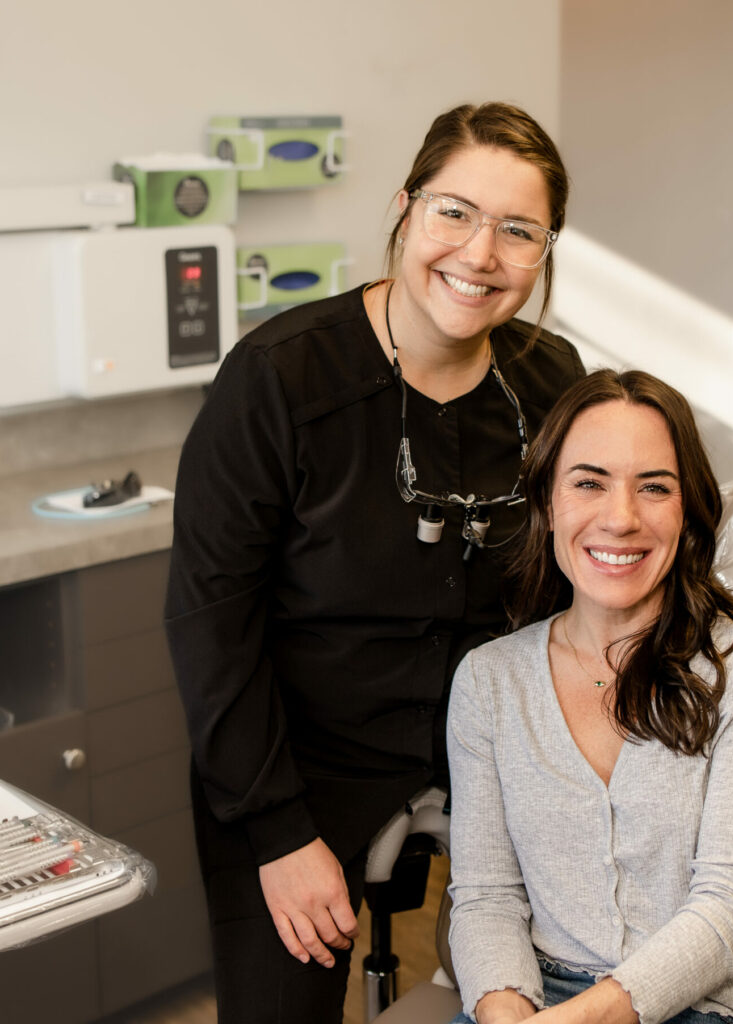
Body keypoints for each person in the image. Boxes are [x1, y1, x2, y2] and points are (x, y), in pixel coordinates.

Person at [164, 101, 586, 1024]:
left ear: (545, 251)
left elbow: (583, 578)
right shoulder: (280, 379)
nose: (480, 255)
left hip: (493, 761)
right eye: (455, 212)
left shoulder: (552, 381)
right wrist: (279, 834)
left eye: (519, 230)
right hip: (297, 768)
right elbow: (210, 626)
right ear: (405, 208)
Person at [445, 370, 733, 1024]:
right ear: (546, 501)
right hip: (544, 998)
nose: (620, 518)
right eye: (589, 483)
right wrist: (503, 1013)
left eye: (654, 487)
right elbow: (486, 898)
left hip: (720, 1007)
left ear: (688, 514)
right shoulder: (490, 681)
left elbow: (731, 909)